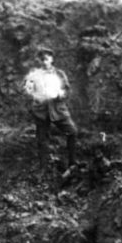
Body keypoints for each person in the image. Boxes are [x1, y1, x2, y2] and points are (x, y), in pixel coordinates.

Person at [23, 47, 77, 175]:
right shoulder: (34, 75)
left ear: (51, 59)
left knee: (72, 132)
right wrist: (33, 97)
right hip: (41, 111)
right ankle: (43, 168)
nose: (44, 62)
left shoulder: (59, 74)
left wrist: (60, 95)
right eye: (41, 59)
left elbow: (68, 90)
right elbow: (26, 91)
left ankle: (72, 163)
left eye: (46, 59)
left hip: (58, 109)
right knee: (42, 140)